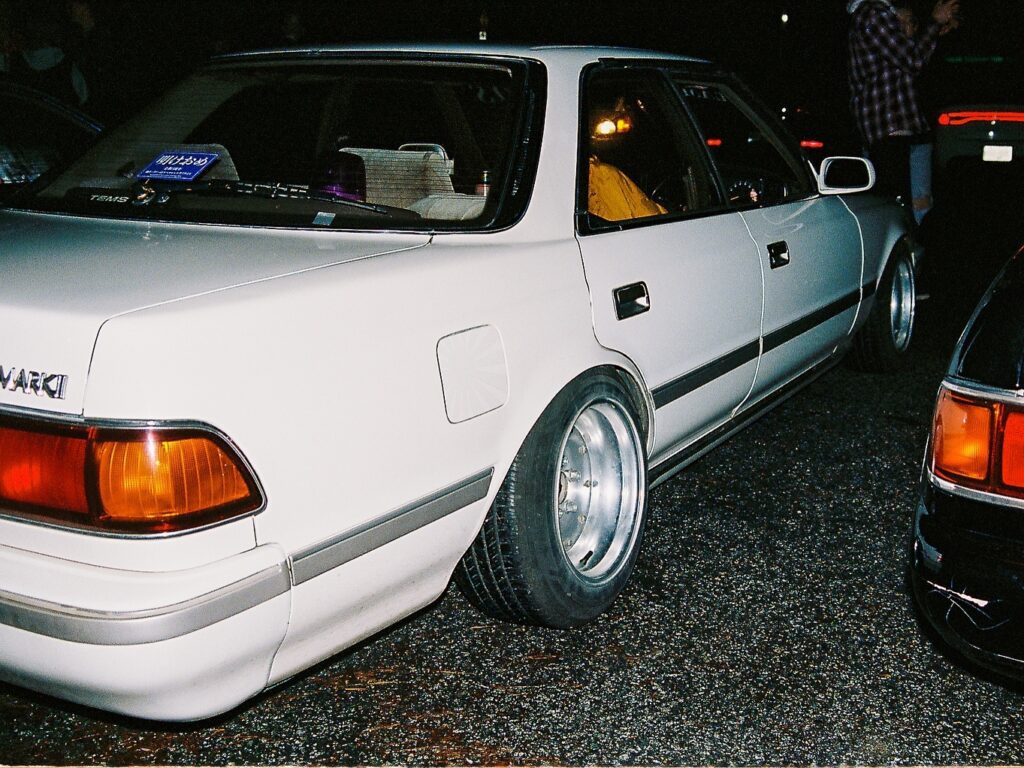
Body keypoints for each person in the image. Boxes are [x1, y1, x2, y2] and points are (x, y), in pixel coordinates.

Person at [847, 0, 959, 217]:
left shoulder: (875, 13)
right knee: (897, 213)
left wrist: (934, 32)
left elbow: (906, 61)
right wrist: (935, 22)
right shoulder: (873, 13)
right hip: (889, 131)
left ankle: (915, 246)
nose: (905, 27)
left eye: (910, 23)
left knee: (918, 206)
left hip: (905, 131)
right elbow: (912, 60)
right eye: (899, 23)